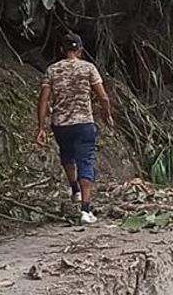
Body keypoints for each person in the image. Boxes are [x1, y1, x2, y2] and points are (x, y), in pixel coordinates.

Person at [36, 33, 113, 224]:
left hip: (61, 125)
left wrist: (41, 128)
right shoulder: (88, 68)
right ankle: (86, 211)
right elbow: (103, 97)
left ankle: (75, 190)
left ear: (62, 50)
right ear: (79, 50)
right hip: (84, 123)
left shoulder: (52, 70)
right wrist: (107, 114)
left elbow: (44, 100)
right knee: (86, 162)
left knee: (67, 156)